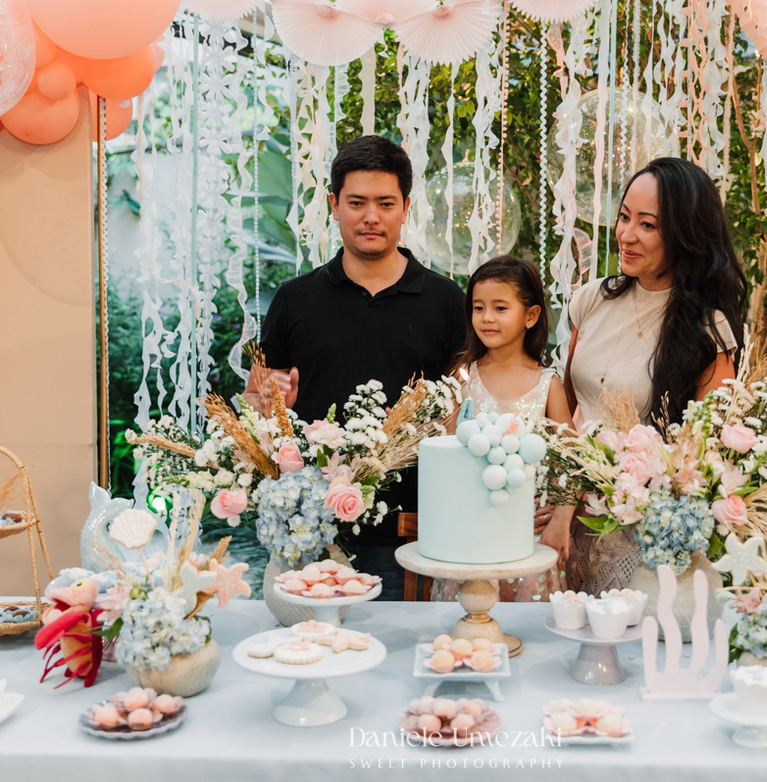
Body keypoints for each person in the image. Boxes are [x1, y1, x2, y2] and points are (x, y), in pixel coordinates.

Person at [244, 135, 466, 600]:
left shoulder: (446, 301)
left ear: (405, 207)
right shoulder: (295, 299)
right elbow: (257, 400)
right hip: (309, 527)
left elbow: (462, 410)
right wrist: (267, 407)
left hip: (410, 527)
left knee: (403, 659)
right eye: (357, 202)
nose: (371, 216)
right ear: (334, 204)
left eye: (385, 203)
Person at [562, 157, 748, 595]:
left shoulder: (709, 329)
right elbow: (565, 405)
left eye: (647, 225)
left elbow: (704, 453)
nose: (626, 235)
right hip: (566, 517)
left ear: (685, 235)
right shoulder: (591, 300)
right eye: (625, 217)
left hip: (639, 532)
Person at [433, 257, 576, 602]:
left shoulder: (547, 385)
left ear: (530, 316)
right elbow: (446, 456)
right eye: (478, 307)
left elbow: (572, 460)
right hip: (471, 534)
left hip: (531, 538)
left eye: (500, 307)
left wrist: (561, 520)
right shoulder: (462, 379)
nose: (486, 318)